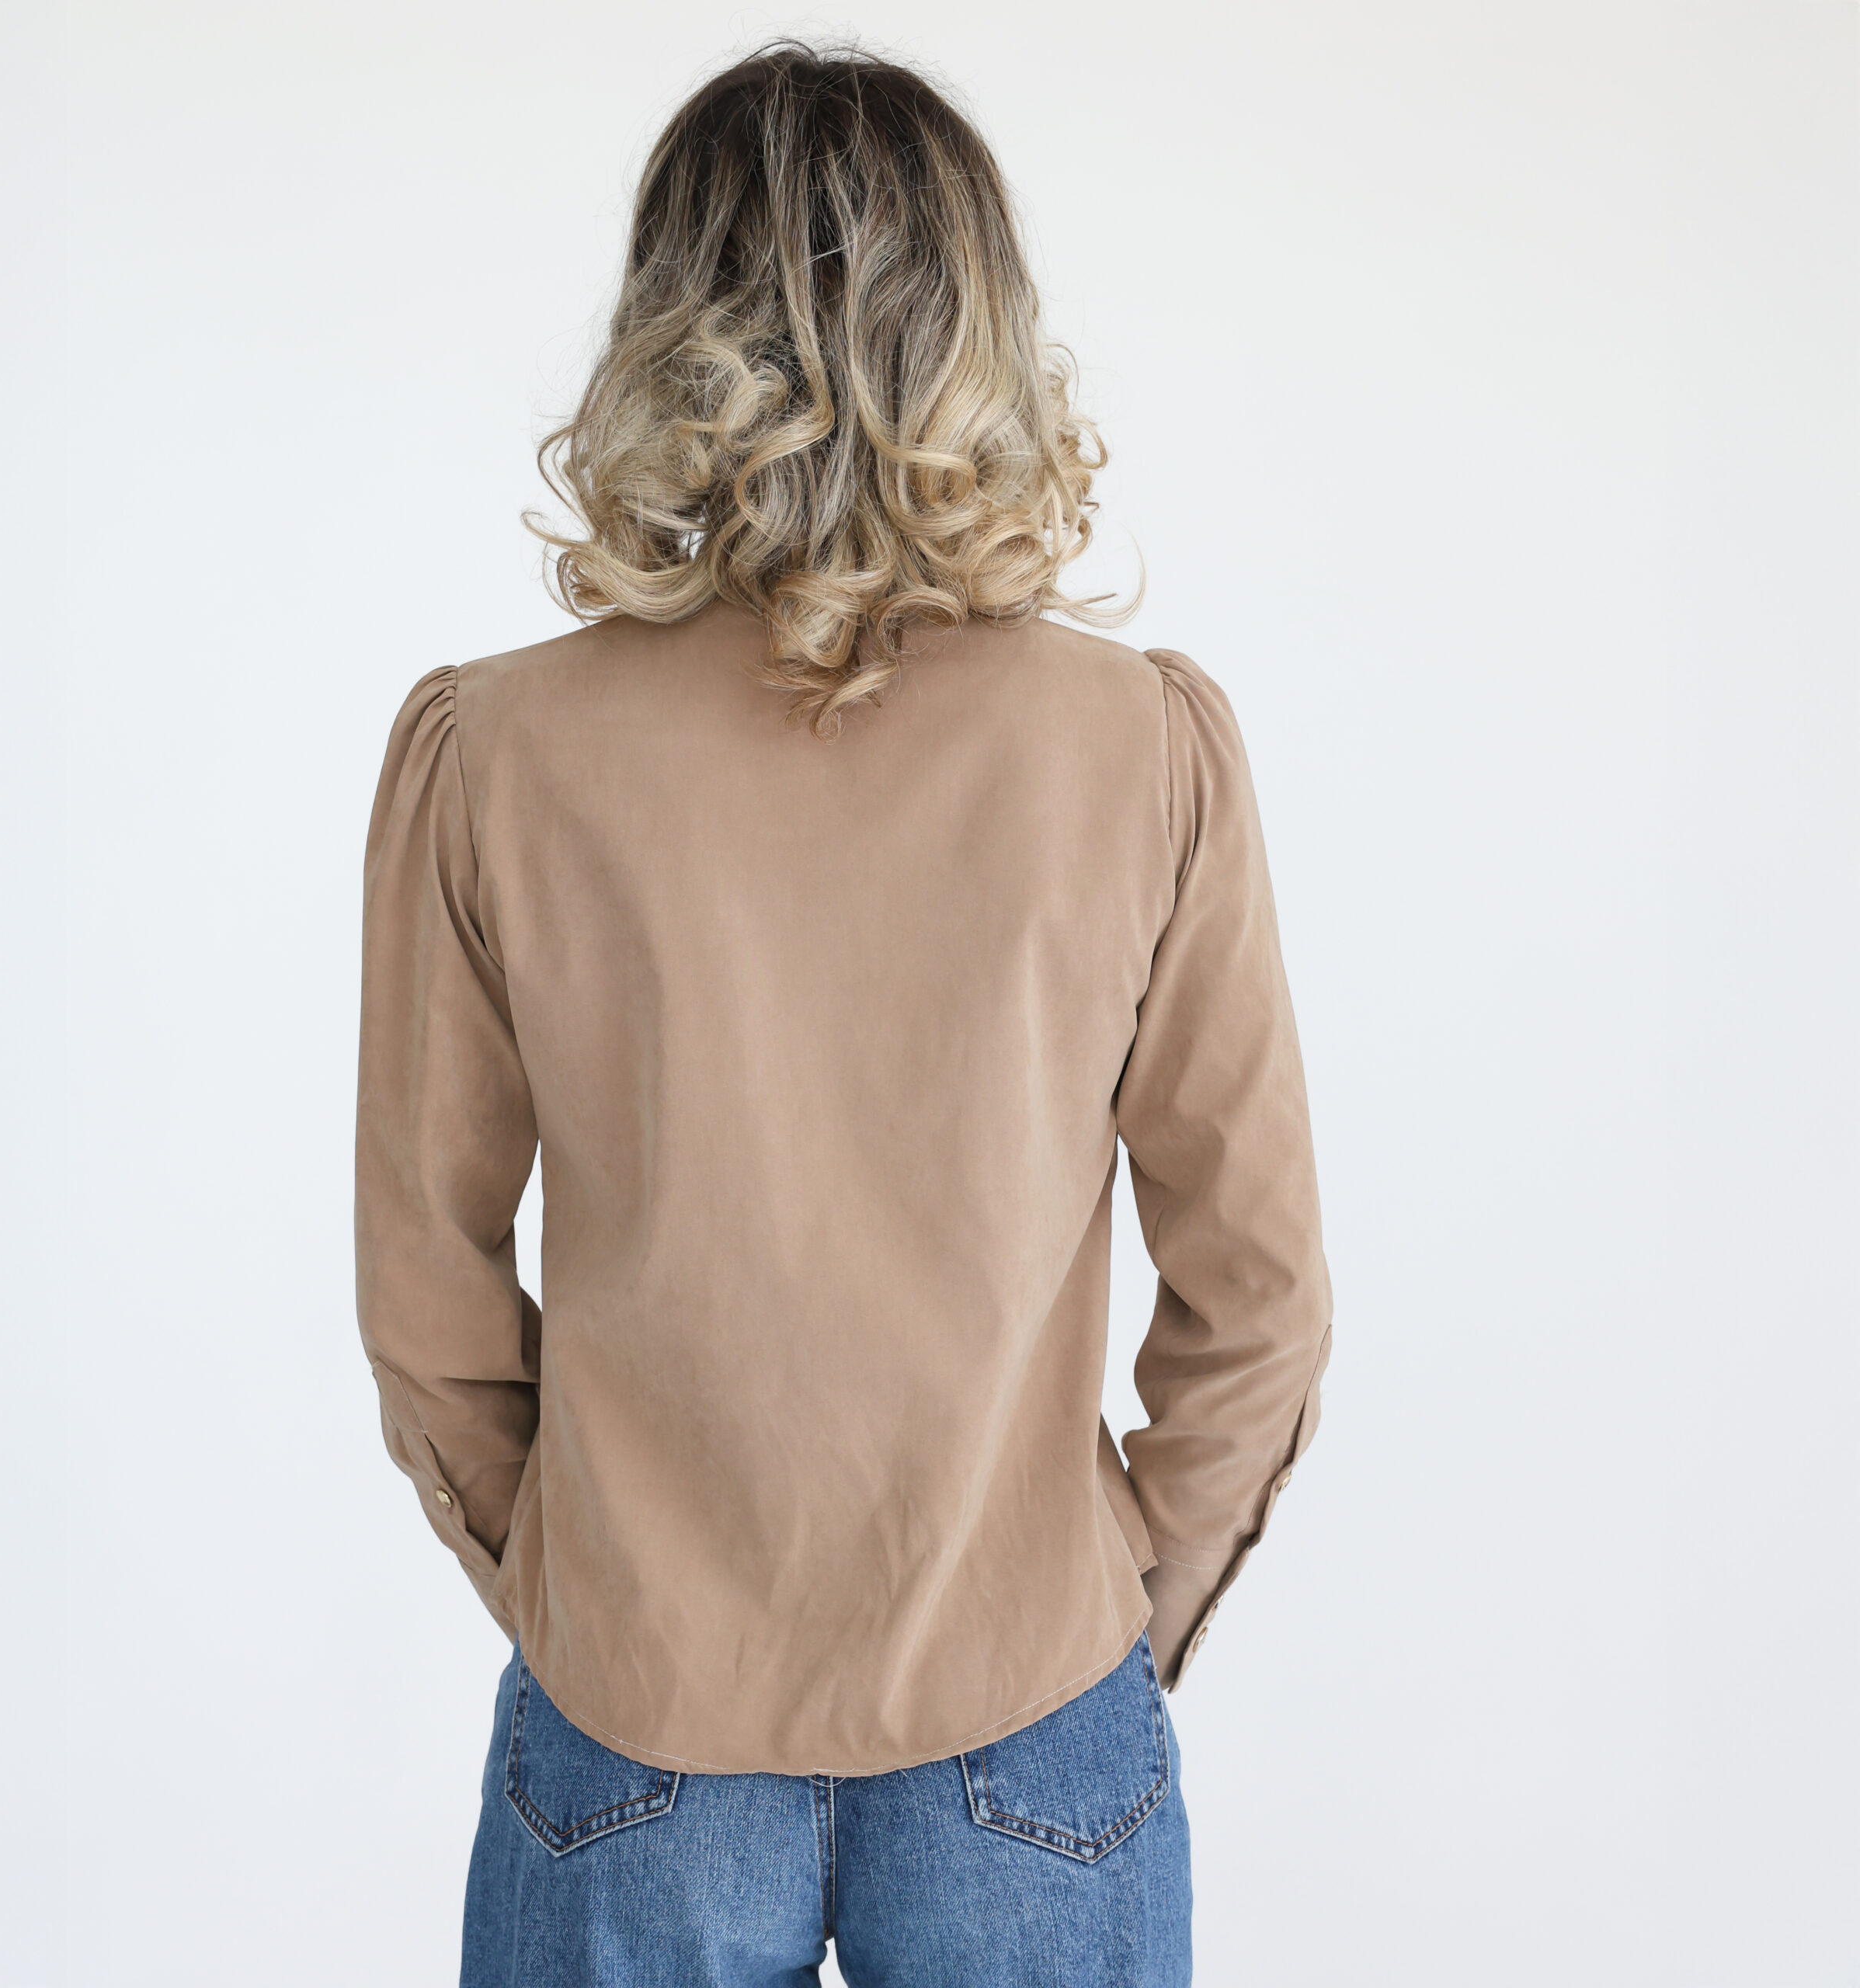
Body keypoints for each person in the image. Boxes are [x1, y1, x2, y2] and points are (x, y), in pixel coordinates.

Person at [355, 41, 1333, 1988]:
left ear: (665, 326)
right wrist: (1116, 1601)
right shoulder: (1138, 750)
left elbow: (424, 1292)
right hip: (1027, 1703)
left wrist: (583, 1588)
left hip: (629, 1720)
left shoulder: (495, 750)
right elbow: (1262, 1291)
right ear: (979, 326)